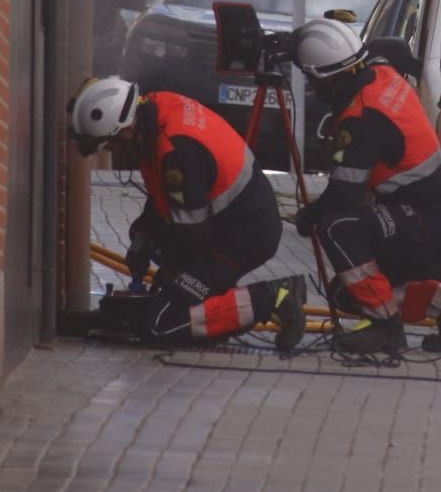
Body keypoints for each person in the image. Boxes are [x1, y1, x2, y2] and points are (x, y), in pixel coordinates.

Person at [289, 20, 441, 354]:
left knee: (335, 228)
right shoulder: (379, 72)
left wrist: (309, 216)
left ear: (327, 79)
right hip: (438, 212)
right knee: (346, 292)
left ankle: (385, 328)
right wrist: (290, 44)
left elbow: (344, 196)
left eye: (312, 80)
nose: (313, 89)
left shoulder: (363, 119)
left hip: (428, 220)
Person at [68, 77, 306, 350]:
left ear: (126, 128)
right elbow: (166, 199)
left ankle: (274, 298)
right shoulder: (155, 107)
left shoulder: (177, 153)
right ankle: (219, 313)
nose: (113, 152)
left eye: (111, 143)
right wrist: (145, 233)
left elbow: (190, 237)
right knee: (178, 294)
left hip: (241, 237)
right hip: (230, 223)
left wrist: (173, 278)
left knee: (162, 323)